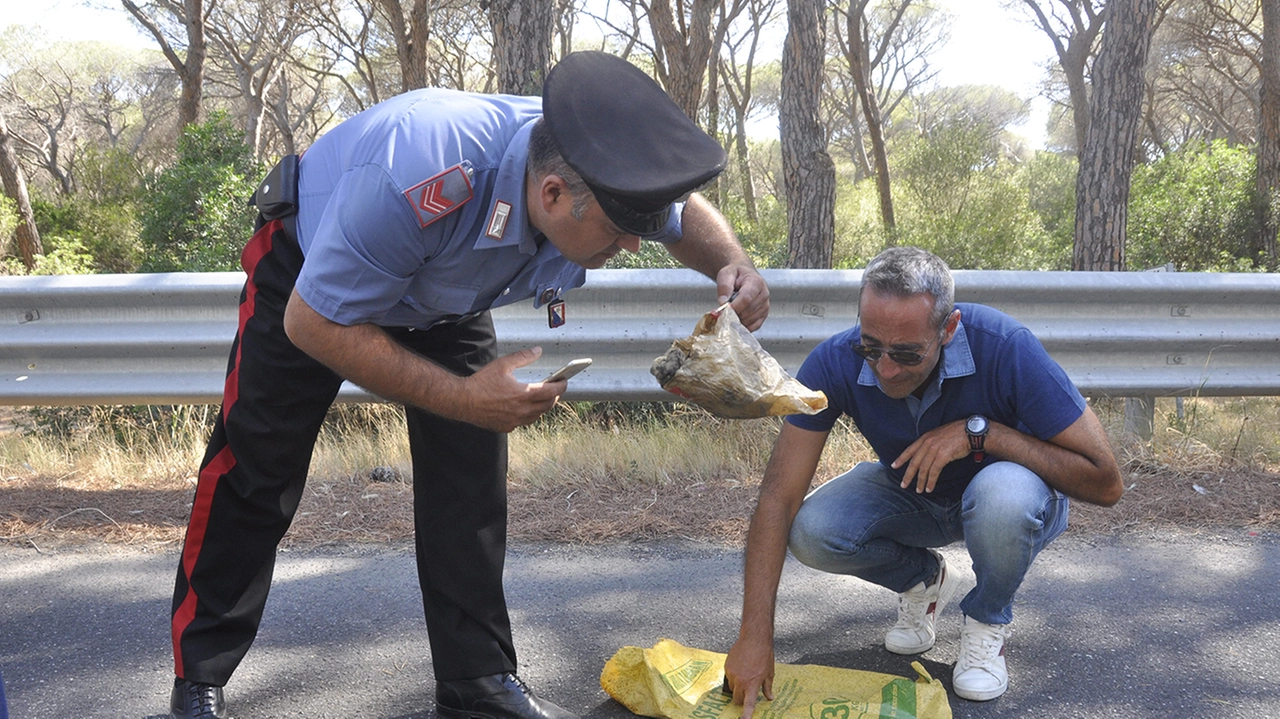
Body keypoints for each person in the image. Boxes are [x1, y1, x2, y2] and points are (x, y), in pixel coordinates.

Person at [166, 51, 770, 719]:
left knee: (470, 479)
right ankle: (199, 676)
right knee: (257, 468)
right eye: (622, 233)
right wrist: (462, 397)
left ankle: (476, 681)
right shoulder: (421, 170)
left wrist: (733, 262)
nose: (632, 247)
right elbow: (312, 322)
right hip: (313, 279)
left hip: (442, 294)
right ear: (551, 197)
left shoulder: (595, 159)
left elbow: (678, 211)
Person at [723, 247, 1121, 710]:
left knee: (1002, 499)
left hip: (1010, 498)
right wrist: (754, 637)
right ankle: (924, 579)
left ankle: (987, 621)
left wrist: (984, 435)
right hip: (916, 491)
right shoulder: (833, 361)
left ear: (948, 329)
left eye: (907, 354)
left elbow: (1105, 483)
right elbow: (778, 498)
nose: (886, 368)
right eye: (871, 347)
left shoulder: (1006, 346)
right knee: (813, 532)